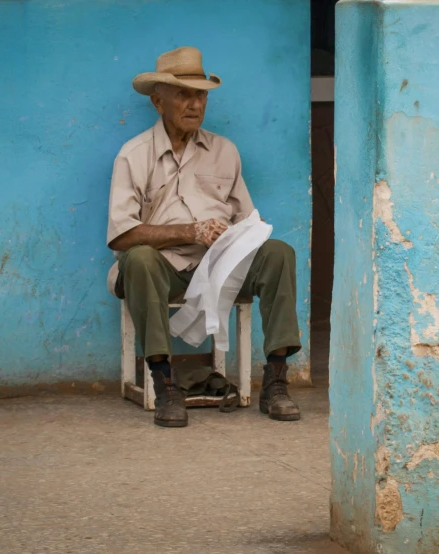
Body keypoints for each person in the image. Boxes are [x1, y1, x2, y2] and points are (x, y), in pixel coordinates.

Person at [107, 47, 302, 428]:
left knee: (278, 253)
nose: (194, 104)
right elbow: (122, 235)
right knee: (140, 259)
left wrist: (234, 235)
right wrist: (189, 231)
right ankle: (165, 386)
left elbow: (249, 222)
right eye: (183, 94)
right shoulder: (133, 156)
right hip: (163, 266)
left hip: (219, 265)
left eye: (201, 95)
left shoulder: (225, 151)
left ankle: (277, 382)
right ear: (157, 101)